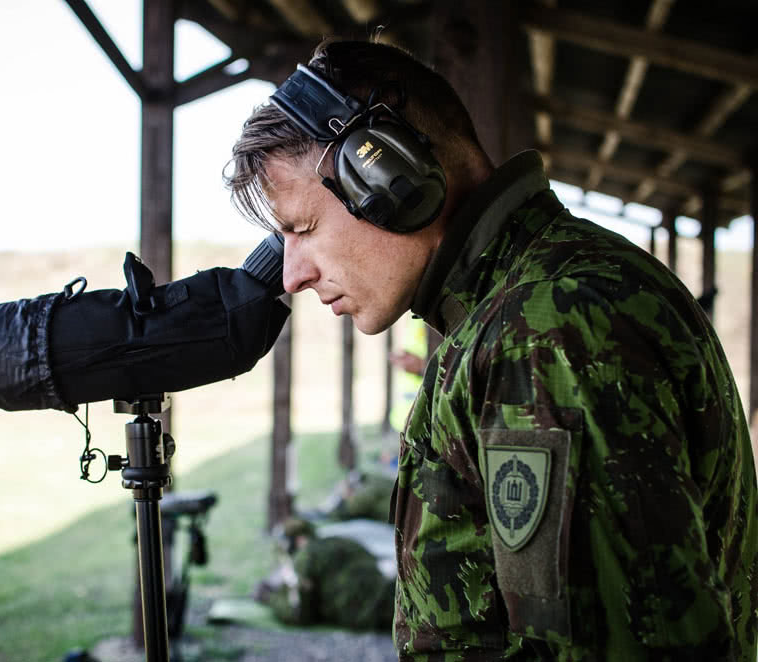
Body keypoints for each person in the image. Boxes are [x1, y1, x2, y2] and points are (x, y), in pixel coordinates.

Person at [226, 39, 758, 661]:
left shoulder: (547, 328)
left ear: (393, 178)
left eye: (303, 228)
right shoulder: (511, 311)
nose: (292, 276)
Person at [256, 517, 395, 631]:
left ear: (299, 540)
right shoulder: (342, 541)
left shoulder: (305, 557)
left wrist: (269, 598)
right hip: (392, 596)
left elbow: (299, 615)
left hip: (370, 614)